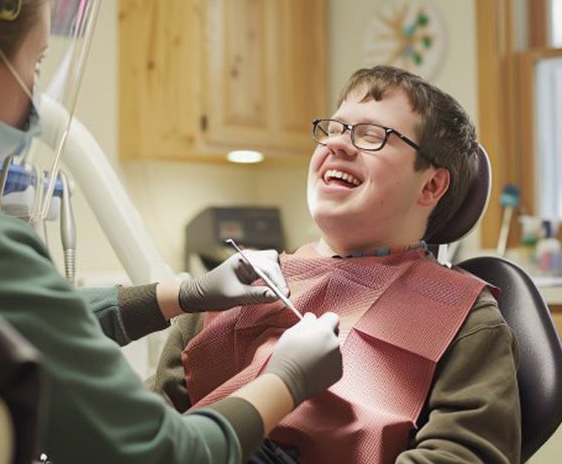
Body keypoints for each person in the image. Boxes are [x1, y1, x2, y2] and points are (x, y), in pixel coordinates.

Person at [0, 0, 343, 464]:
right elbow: (161, 453)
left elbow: (15, 318)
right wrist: (285, 379)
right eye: (35, 65)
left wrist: (183, 294)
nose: (34, 93)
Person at [149, 66, 522, 464]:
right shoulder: (239, 286)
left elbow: (463, 455)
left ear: (431, 186)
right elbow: (146, 428)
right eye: (335, 128)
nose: (339, 145)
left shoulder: (465, 320)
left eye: (372, 135)